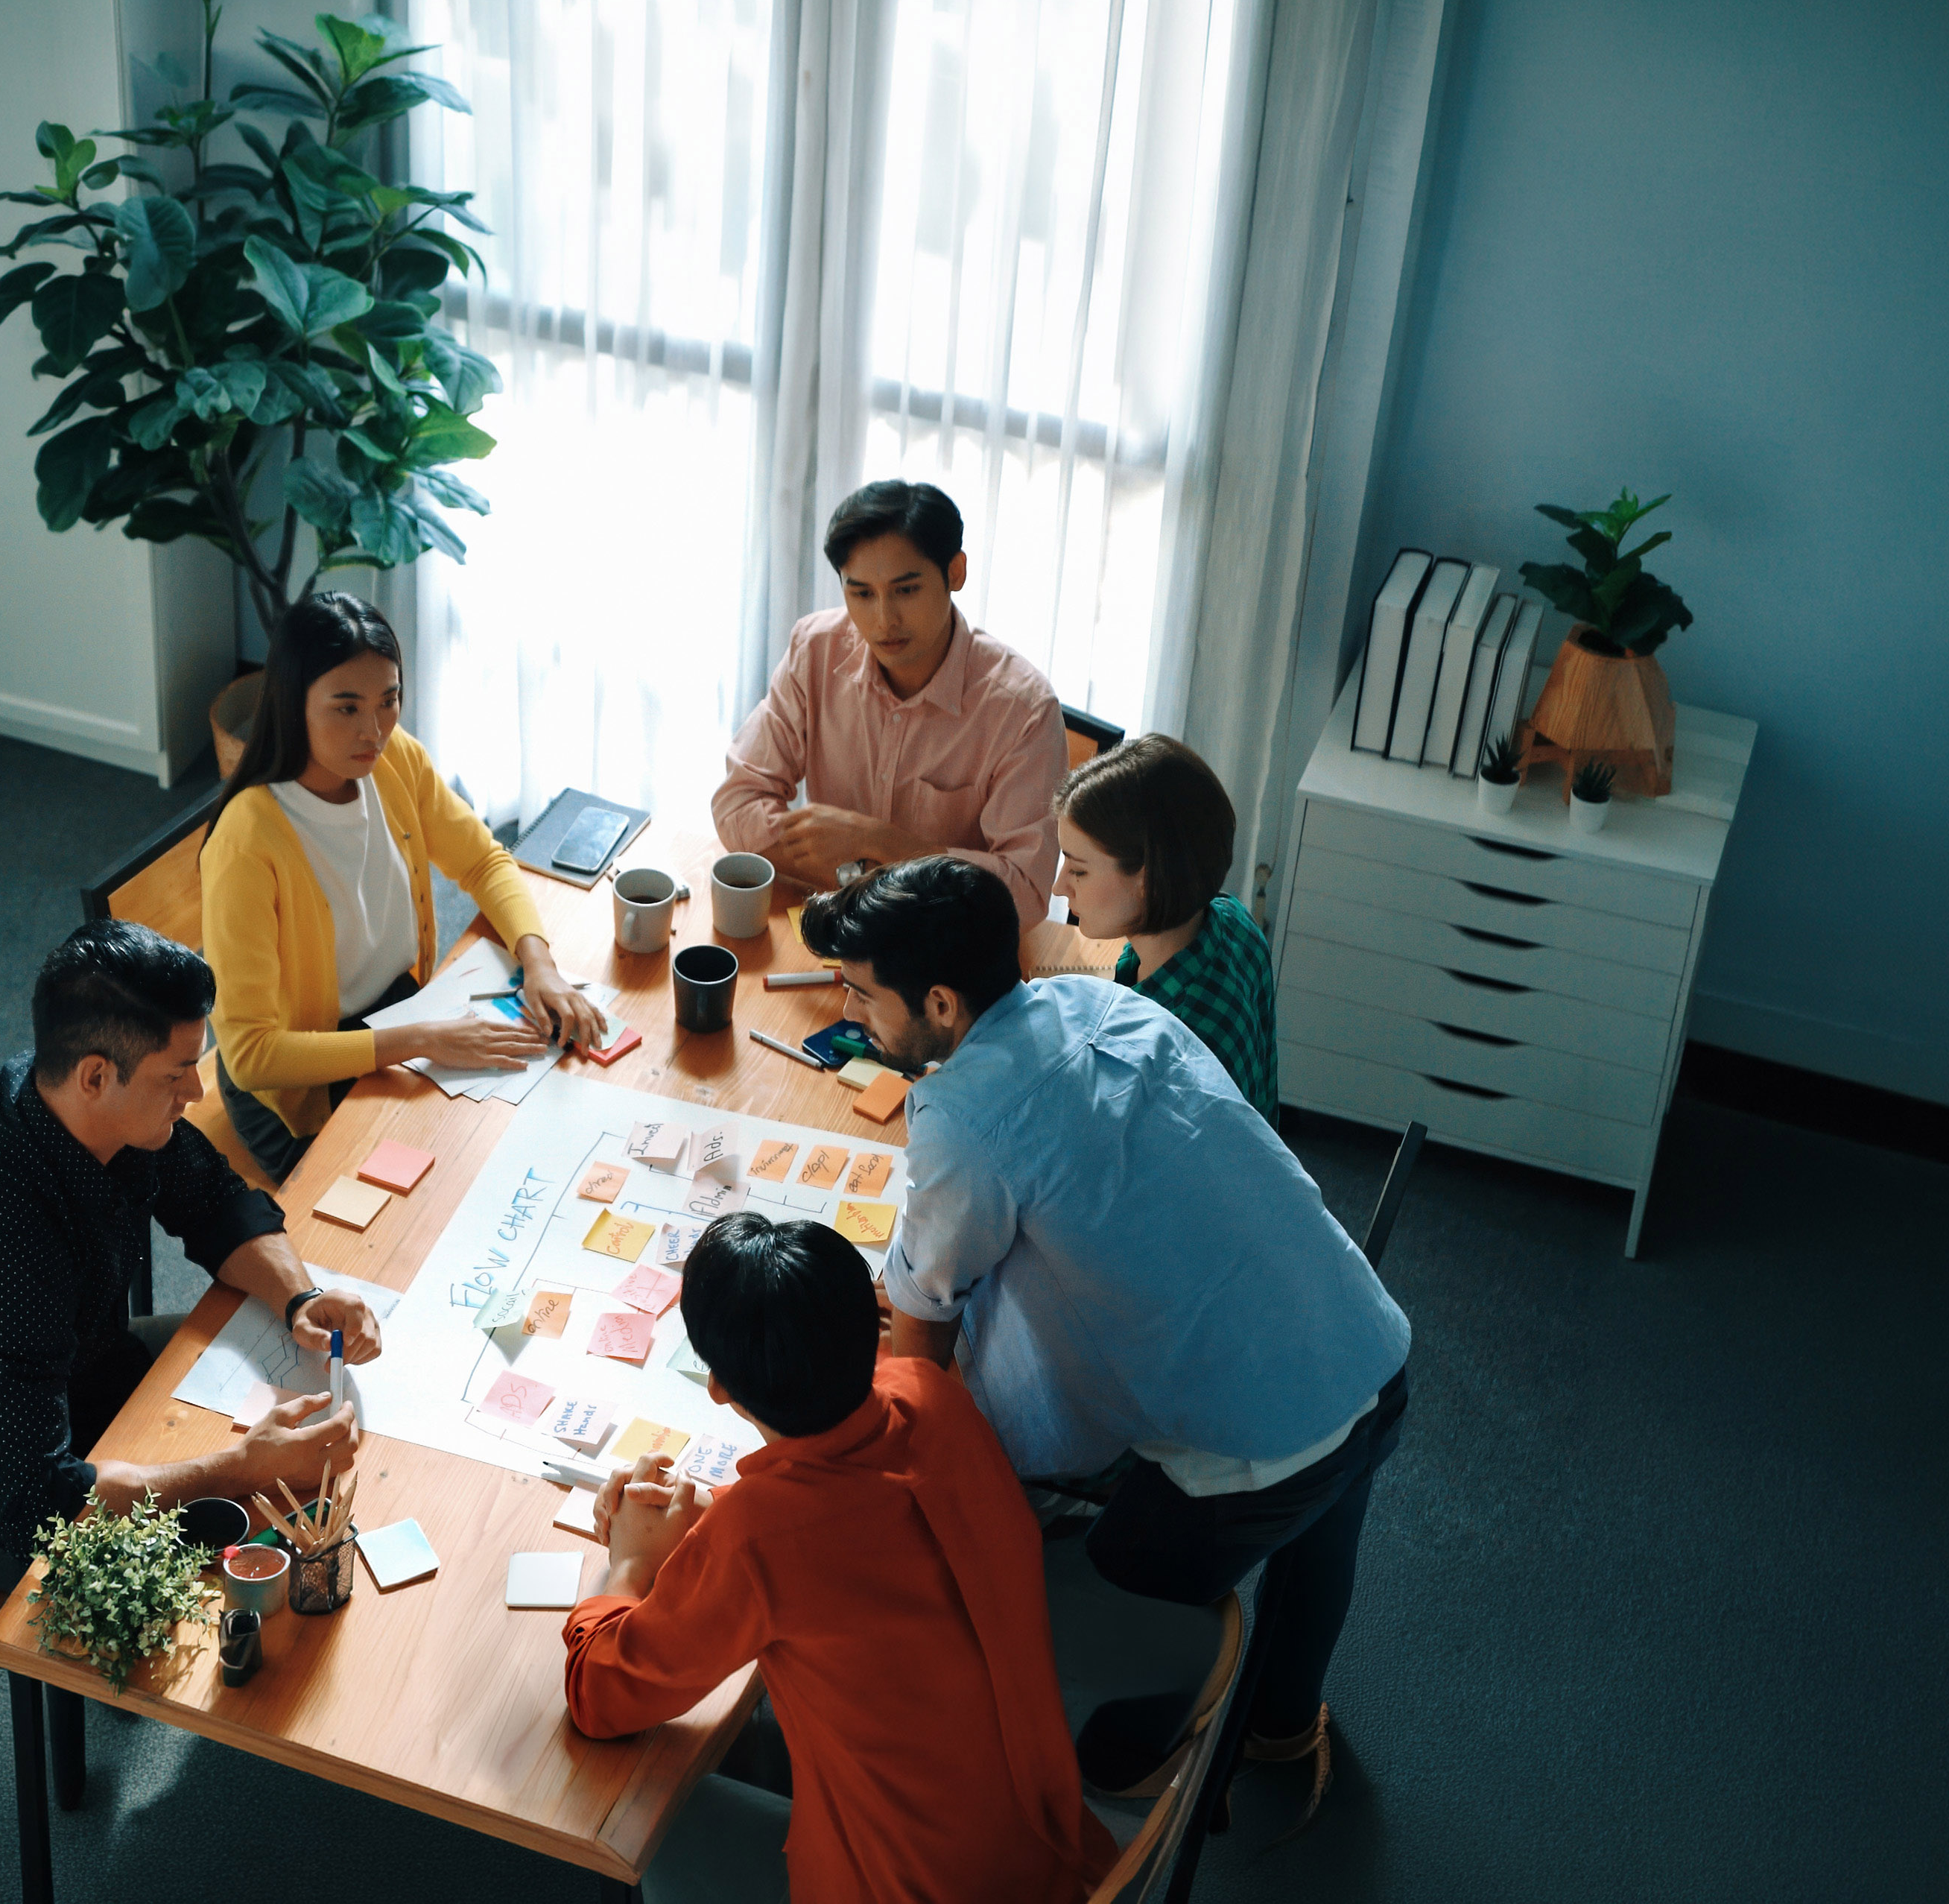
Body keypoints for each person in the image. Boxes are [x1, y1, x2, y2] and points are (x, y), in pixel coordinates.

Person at [799, 857, 1411, 1805]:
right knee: (1319, 1547)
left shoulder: (962, 1113)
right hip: (1362, 1345)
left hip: (1258, 1447)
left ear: (943, 1003)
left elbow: (919, 1346)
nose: (853, 1013)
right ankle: (1285, 1728)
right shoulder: (1100, 1003)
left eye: (864, 995)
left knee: (1096, 1602)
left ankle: (1119, 1789)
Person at [561, 1213, 1115, 1904]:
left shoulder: (755, 1541)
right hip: (1039, 1830)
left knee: (648, 1823)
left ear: (719, 1387)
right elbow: (847, 1512)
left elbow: (600, 1698)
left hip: (904, 1887)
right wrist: (708, 1519)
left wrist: (631, 1564)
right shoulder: (930, 1392)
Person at [0, 920, 383, 1593]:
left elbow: (213, 1201)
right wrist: (241, 1469)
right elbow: (40, 1505)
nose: (198, 1091)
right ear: (96, 1076)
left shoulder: (82, 1102)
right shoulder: (1, 1244)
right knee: (255, 1572)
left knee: (270, 1358)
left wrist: (300, 1299)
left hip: (77, 1371)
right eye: (177, 1073)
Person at [200, 592, 605, 1180]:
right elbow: (253, 1054)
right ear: (292, 702)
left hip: (399, 1014)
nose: (374, 731)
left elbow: (484, 861)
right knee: (421, 1197)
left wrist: (539, 963)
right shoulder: (246, 843)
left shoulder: (394, 762)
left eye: (388, 701)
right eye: (347, 708)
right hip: (300, 1080)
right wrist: (419, 1039)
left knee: (515, 1139)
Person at [712, 480, 1067, 918]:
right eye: (861, 593)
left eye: (906, 590)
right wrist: (859, 873)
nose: (884, 621)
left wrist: (879, 842)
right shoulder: (816, 649)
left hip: (953, 944)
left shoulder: (1024, 710)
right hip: (838, 925)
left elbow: (1026, 893)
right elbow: (736, 804)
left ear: (955, 573)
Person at [1053, 733, 1279, 1123]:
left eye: (1079, 870)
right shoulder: (1230, 917)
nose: (1059, 887)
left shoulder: (1176, 1049)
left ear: (1149, 879)